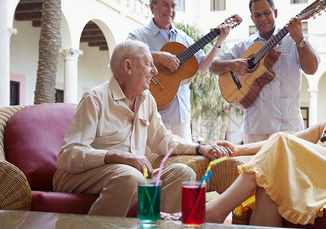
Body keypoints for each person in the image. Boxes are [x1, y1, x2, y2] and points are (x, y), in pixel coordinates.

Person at [206, 57, 326, 227]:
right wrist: (238, 149)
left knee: (282, 146)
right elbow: (289, 141)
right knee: (270, 187)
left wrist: (307, 153)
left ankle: (215, 211)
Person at [53, 40, 228, 217]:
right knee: (131, 176)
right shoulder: (95, 98)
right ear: (128, 67)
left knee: (183, 173)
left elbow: (163, 140)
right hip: (79, 176)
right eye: (149, 64)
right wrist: (116, 156)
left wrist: (200, 148)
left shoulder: (147, 99)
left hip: (130, 175)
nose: (155, 70)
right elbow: (68, 155)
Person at [209, 0, 320, 143]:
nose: (263, 18)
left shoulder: (293, 39)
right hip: (254, 128)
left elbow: (312, 69)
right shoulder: (244, 45)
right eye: (257, 15)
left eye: (267, 13)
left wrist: (300, 40)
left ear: (275, 13)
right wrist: (232, 64)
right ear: (252, 18)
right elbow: (212, 66)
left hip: (288, 127)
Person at [128, 0, 230, 140]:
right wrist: (160, 57)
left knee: (181, 162)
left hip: (181, 116)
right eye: (165, 4)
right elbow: (126, 54)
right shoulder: (139, 35)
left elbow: (202, 67)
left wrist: (218, 42)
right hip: (150, 115)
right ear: (152, 7)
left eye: (173, 6)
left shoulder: (184, 39)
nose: (170, 10)